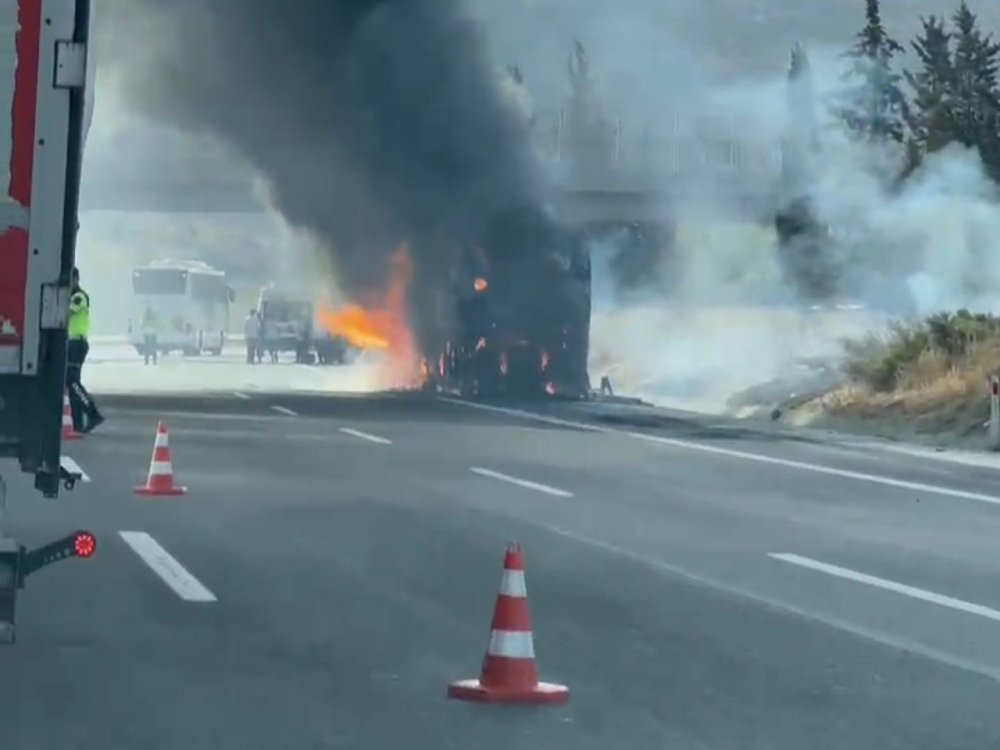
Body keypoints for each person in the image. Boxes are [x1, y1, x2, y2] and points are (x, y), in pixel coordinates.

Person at [66, 267, 104, 433]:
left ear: (75, 279)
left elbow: (66, 312)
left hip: (77, 343)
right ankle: (78, 423)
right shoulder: (72, 296)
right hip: (71, 342)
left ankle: (92, 412)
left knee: (73, 383)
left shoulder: (79, 297)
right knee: (71, 383)